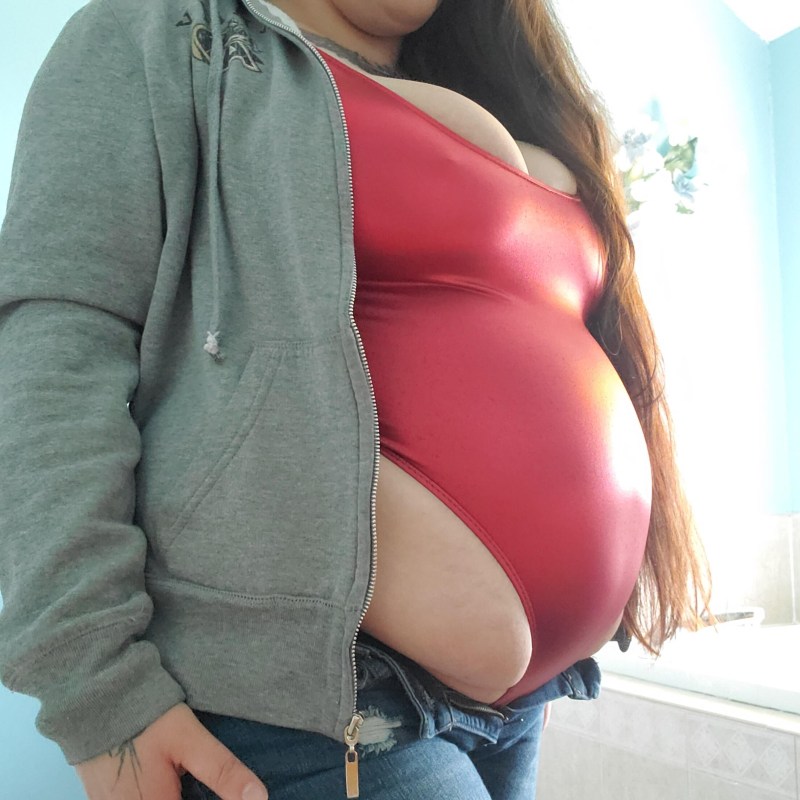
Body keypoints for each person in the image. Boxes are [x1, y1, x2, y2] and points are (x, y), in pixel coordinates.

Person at [0, 0, 714, 797]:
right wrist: (98, 691)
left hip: (519, 701)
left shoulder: (477, 72)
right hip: (314, 708)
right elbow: (59, 343)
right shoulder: (164, 33)